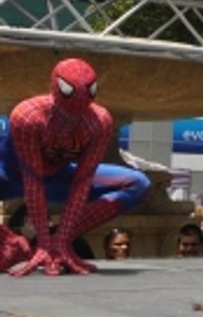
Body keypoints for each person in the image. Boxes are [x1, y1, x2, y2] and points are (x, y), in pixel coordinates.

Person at [0, 58, 151, 276]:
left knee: (138, 184)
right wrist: (42, 243)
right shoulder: (27, 116)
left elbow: (83, 180)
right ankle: (10, 243)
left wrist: (58, 239)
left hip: (58, 178)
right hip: (10, 175)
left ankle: (58, 241)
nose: (71, 118)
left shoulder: (99, 122)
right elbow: (32, 182)